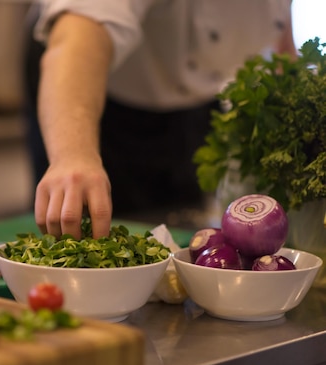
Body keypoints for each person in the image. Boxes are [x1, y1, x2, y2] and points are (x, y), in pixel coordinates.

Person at [25, 0, 297, 240]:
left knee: (173, 234)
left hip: (199, 96)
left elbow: (279, 31)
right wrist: (73, 155)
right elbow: (78, 41)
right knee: (85, 227)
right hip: (89, 90)